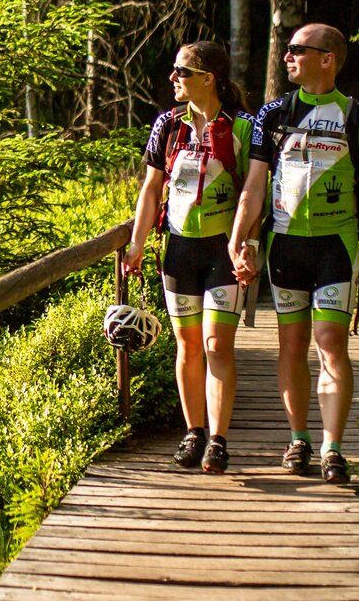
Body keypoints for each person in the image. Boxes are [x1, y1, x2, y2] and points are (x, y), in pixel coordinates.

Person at [228, 23, 359, 485]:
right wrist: (240, 235)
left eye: (296, 51)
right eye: (286, 50)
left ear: (327, 58)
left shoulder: (356, 118)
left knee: (330, 342)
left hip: (336, 246)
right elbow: (254, 184)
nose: (286, 57)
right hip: (285, 243)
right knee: (291, 345)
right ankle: (298, 437)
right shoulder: (273, 113)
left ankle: (331, 447)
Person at [121, 40, 254, 474]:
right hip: (178, 247)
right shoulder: (167, 125)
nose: (173, 78)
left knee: (217, 344)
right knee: (188, 345)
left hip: (223, 249)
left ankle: (217, 439)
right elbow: (150, 189)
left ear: (207, 78)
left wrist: (249, 244)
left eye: (181, 71)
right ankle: (192, 431)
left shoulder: (242, 127)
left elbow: (255, 194)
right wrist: (138, 242)